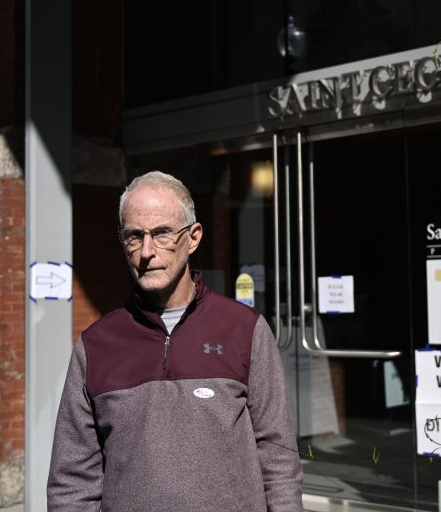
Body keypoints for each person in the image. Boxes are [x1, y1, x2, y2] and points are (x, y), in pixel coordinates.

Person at [47, 171, 303, 511]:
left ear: (193, 237)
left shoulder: (245, 329)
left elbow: (278, 454)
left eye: (162, 233)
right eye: (134, 237)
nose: (147, 251)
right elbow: (72, 481)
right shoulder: (96, 345)